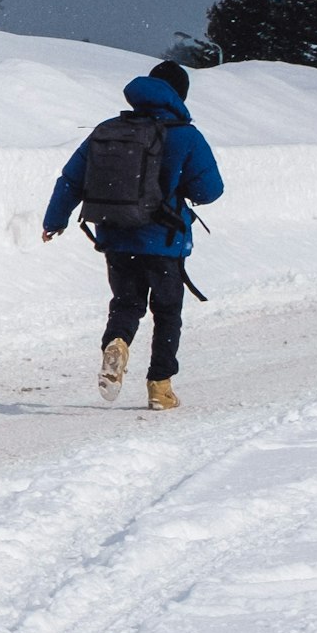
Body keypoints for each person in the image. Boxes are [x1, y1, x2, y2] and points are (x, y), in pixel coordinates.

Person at [42, 58, 224, 407]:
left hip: (117, 237)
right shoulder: (185, 135)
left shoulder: (109, 129)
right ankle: (160, 386)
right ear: (180, 95)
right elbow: (209, 190)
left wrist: (55, 221)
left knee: (126, 304)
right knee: (167, 312)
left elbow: (71, 180)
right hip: (164, 242)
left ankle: (118, 344)